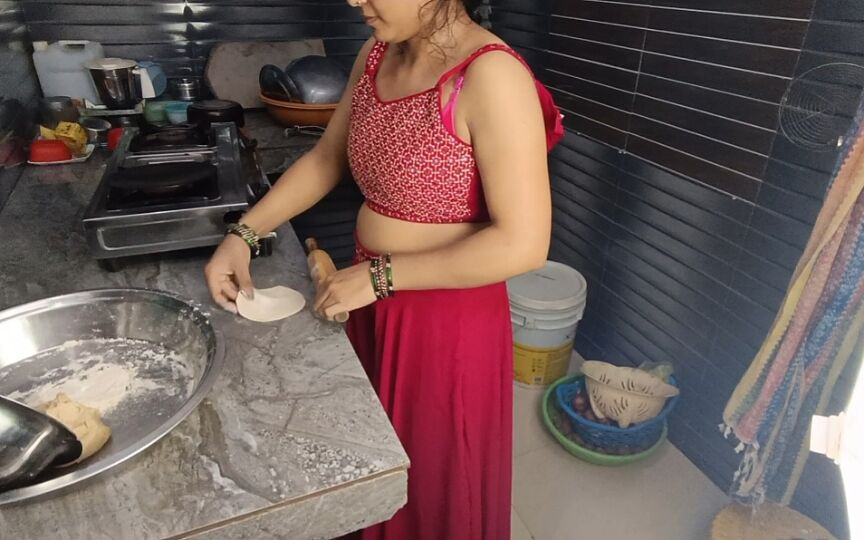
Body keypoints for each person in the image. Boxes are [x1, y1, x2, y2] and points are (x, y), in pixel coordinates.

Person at [205, 0, 563, 538]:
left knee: (432, 483)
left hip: (445, 323)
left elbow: (523, 244)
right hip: (369, 297)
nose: (356, 0)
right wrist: (244, 234)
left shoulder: (491, 75)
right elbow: (327, 158)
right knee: (371, 464)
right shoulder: (376, 54)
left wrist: (380, 277)